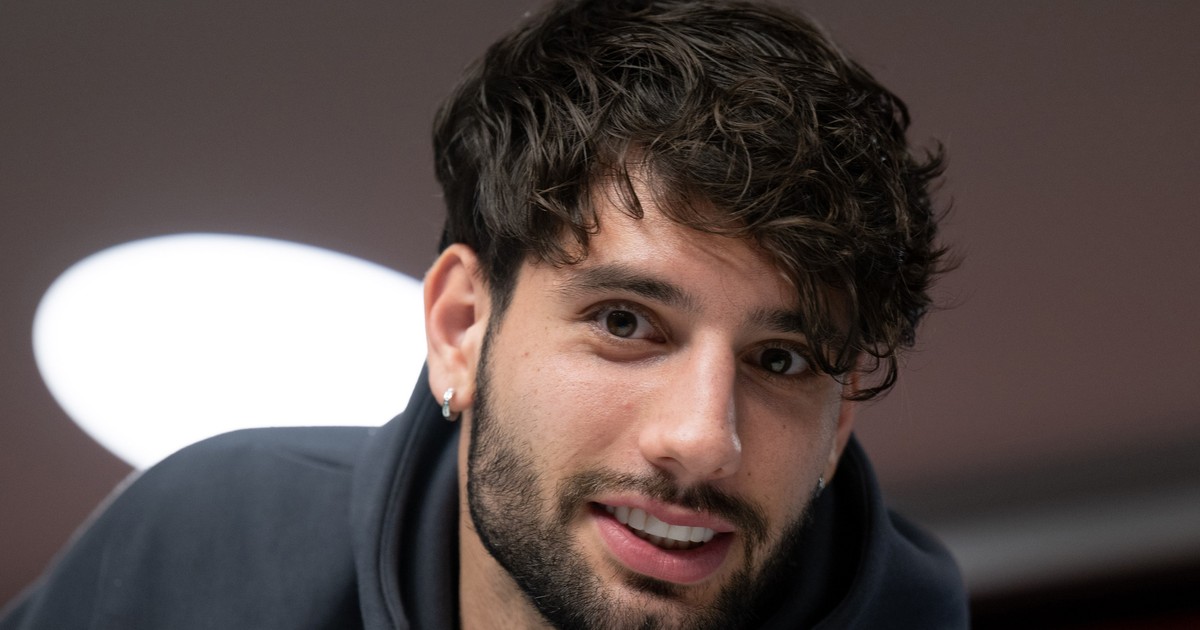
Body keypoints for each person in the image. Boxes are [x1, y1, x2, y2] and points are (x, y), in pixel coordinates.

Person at [1, 0, 968, 628]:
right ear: (462, 328)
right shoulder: (205, 554)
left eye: (783, 359)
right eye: (625, 323)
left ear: (841, 421)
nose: (704, 440)